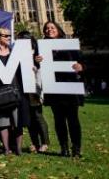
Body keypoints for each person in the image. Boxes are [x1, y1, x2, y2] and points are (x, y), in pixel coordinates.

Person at [36, 20, 84, 157]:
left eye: (52, 27)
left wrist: (81, 67)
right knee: (59, 120)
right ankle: (64, 147)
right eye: (46, 28)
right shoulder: (42, 47)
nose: (49, 30)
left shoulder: (68, 44)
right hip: (54, 88)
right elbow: (38, 66)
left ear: (58, 29)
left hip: (70, 86)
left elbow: (81, 60)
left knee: (73, 119)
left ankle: (76, 148)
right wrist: (37, 61)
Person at [0, 27, 30, 155]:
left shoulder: (14, 53)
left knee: (18, 122)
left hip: (16, 92)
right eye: (5, 36)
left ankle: (19, 149)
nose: (8, 38)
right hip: (0, 93)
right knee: (2, 122)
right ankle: (6, 149)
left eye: (9, 36)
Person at [18, 31, 50, 153]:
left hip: (34, 88)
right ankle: (35, 143)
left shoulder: (37, 53)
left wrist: (37, 63)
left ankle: (45, 142)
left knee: (37, 116)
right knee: (29, 117)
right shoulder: (19, 54)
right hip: (23, 89)